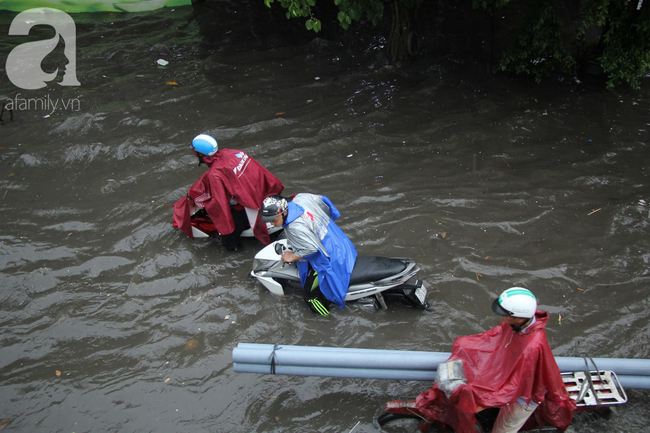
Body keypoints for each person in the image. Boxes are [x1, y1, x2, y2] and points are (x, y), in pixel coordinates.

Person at [415, 287, 576, 433]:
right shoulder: (518, 324)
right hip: (514, 378)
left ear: (519, 317)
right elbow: (494, 340)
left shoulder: (532, 346)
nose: (503, 319)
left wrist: (481, 402)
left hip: (525, 396)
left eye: (505, 315)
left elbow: (516, 386)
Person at [173, 134, 284, 251]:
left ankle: (236, 250)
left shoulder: (215, 174)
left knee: (229, 242)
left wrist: (223, 226)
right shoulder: (235, 153)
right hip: (261, 192)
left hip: (245, 206)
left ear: (200, 154)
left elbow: (220, 204)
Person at [260, 193, 357, 316]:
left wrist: (292, 256)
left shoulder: (295, 227)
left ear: (284, 213)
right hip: (341, 244)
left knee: (310, 295)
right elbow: (323, 200)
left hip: (331, 258)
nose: (272, 224)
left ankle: (327, 319)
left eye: (274, 220)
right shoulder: (301, 199)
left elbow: (312, 250)